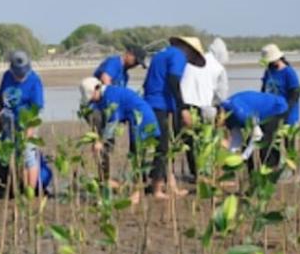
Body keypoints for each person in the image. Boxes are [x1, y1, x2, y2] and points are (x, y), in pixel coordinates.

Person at [80, 77, 160, 205]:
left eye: (91, 96)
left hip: (142, 120)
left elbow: (113, 122)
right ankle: (134, 189)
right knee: (135, 155)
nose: (91, 100)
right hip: (134, 120)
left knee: (137, 156)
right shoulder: (103, 96)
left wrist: (101, 141)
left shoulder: (111, 96)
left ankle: (137, 194)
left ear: (97, 88)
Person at [142, 36, 206, 199]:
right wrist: (183, 108)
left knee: (166, 147)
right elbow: (173, 81)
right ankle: (157, 189)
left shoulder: (163, 54)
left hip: (153, 101)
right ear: (189, 49)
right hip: (159, 103)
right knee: (162, 147)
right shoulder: (178, 56)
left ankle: (171, 186)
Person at [0, 50, 49, 192]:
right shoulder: (7, 76)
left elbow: (36, 108)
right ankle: (16, 185)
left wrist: (29, 131)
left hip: (27, 122)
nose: (20, 77)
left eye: (22, 73)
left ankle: (29, 190)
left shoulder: (34, 80)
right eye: (17, 73)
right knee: (10, 154)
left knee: (28, 155)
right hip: (8, 122)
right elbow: (1, 99)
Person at [180, 37, 230, 179]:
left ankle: (196, 173)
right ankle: (208, 174)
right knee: (208, 141)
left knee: (190, 142)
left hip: (183, 106)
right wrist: (222, 114)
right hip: (204, 107)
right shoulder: (219, 68)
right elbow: (221, 95)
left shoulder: (193, 61)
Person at [218, 91, 288, 169]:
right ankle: (252, 176)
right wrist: (230, 156)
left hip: (275, 108)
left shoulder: (239, 113)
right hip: (258, 114)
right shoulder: (227, 115)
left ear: (220, 116)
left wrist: (244, 157)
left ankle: (270, 174)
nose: (217, 126)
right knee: (248, 146)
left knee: (265, 145)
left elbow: (258, 135)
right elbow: (237, 139)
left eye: (216, 123)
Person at [260, 44, 300, 128]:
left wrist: (285, 110)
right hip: (271, 114)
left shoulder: (289, 72)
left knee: (289, 140)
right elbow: (263, 91)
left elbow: (295, 94)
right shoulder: (268, 71)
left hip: (288, 116)